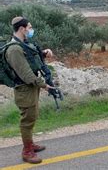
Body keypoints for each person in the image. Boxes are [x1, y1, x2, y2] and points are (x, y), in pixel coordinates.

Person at [5, 17, 54, 164]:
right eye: (29, 27)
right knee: (27, 120)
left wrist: (44, 53)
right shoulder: (14, 49)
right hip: (25, 89)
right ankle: (27, 151)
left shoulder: (23, 44)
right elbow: (26, 73)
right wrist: (43, 85)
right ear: (22, 29)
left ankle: (30, 144)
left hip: (31, 88)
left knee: (32, 116)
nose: (31, 30)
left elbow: (31, 59)